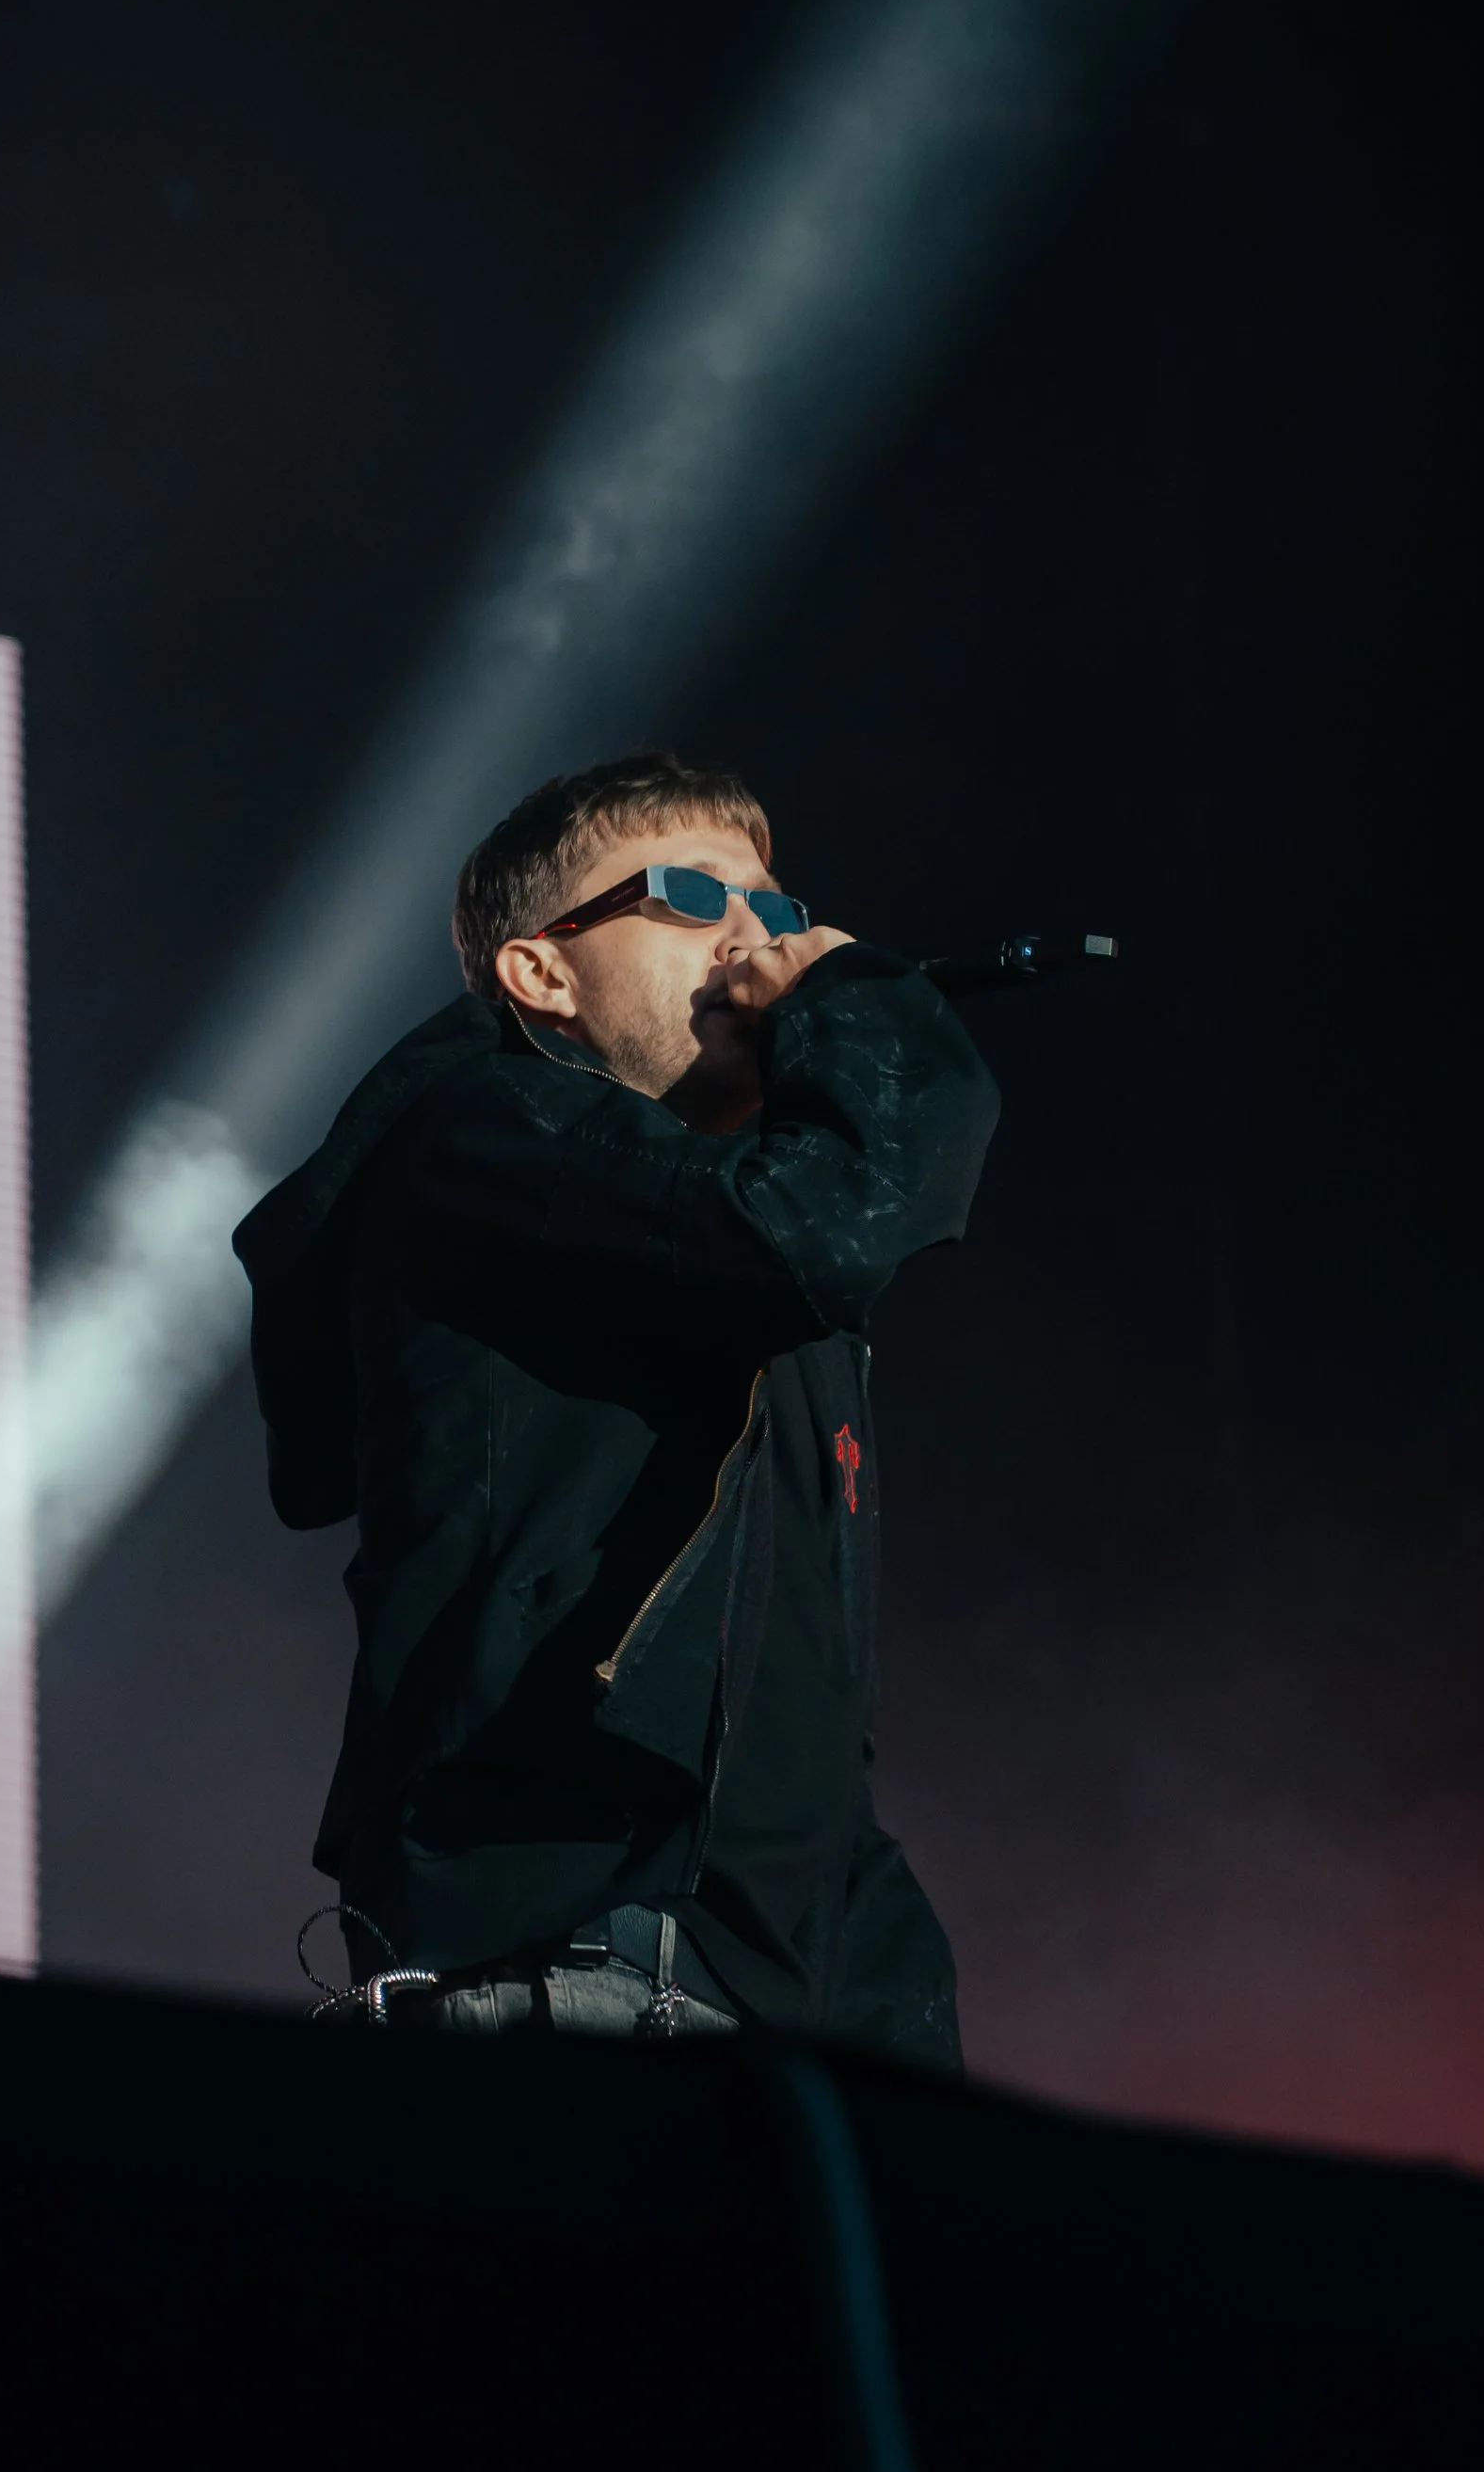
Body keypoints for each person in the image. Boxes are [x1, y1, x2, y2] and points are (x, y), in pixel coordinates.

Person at [231, 751, 999, 2064]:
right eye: (692, 893)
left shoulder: (710, 1239)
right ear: (543, 973)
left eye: (775, 901)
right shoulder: (479, 1136)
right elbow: (830, 1223)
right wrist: (862, 1003)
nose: (761, 933)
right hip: (586, 1946)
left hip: (785, 1980)